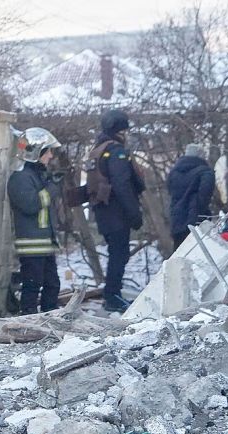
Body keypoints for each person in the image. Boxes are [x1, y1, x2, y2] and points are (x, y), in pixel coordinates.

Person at [88, 109, 145, 313]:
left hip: (103, 212)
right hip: (117, 213)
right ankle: (112, 296)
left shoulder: (98, 148)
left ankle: (112, 293)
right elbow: (122, 185)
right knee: (119, 254)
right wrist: (134, 215)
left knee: (116, 253)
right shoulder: (116, 152)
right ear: (119, 130)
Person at [7, 127, 62, 314]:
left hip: (44, 244)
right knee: (32, 286)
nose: (51, 156)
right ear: (37, 153)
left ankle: (50, 319)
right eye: (48, 151)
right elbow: (30, 205)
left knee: (53, 285)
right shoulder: (20, 178)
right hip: (31, 245)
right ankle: (28, 322)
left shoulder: (36, 175)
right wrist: (52, 189)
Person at [166, 143, 215, 249]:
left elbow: (170, 192)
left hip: (177, 222)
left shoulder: (173, 173)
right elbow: (205, 194)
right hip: (198, 222)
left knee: (180, 256)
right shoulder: (205, 172)